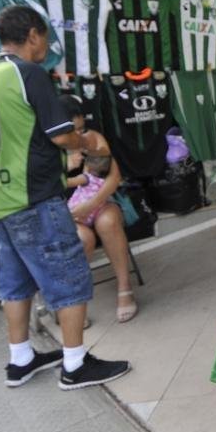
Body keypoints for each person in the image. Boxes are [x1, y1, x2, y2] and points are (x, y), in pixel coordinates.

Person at [0, 5, 130, 390]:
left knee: (15, 282)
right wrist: (84, 141)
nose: (46, 46)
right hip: (35, 197)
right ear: (33, 36)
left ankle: (19, 359)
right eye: (45, 37)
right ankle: (75, 365)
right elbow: (60, 135)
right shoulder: (29, 74)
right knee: (69, 279)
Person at [61, 96, 138, 323]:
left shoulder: (92, 139)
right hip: (67, 212)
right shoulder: (46, 151)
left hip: (100, 201)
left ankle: (125, 288)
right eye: (73, 131)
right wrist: (66, 168)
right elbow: (41, 184)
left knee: (108, 222)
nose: (79, 135)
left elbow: (113, 178)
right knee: (82, 239)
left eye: (81, 128)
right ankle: (72, 302)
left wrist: (91, 204)